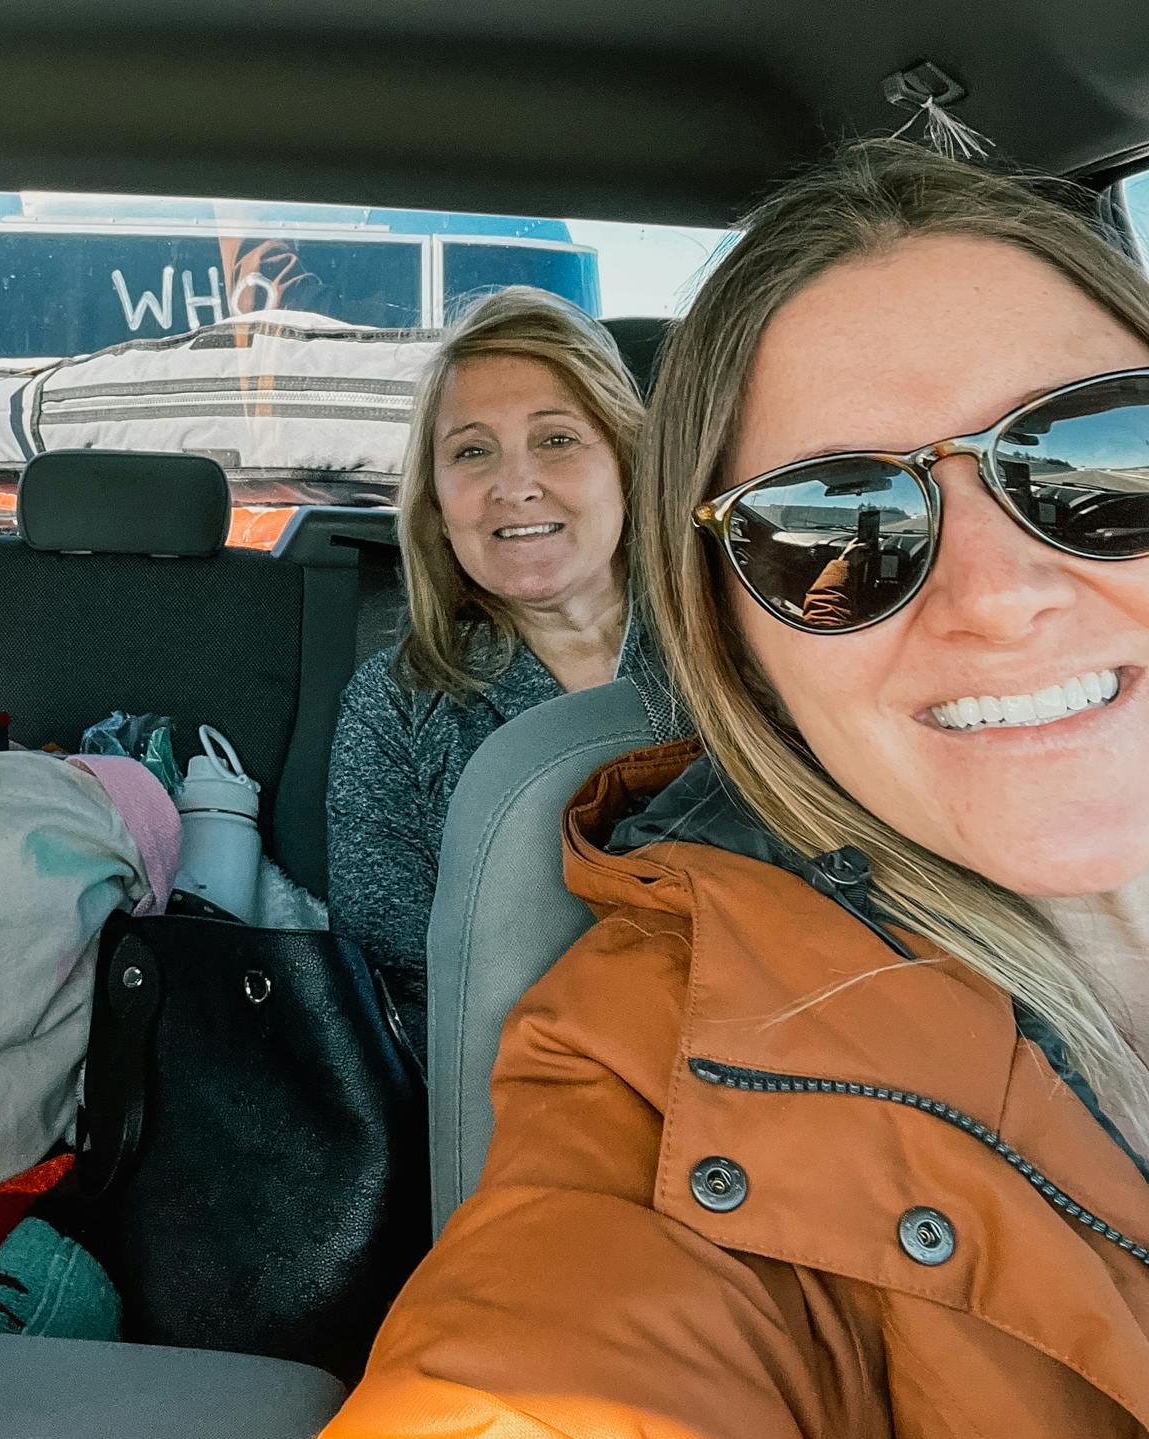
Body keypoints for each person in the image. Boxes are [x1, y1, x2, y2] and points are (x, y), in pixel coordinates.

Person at [323, 140, 1149, 1437]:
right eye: (832, 529)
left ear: (624, 463)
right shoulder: (412, 711)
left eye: (1096, 459)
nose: (1001, 598)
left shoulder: (690, 665)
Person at [326, 287, 652, 1052]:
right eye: (472, 451)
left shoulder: (740, 658)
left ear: (626, 463)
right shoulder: (396, 704)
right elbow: (402, 978)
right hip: (512, 1101)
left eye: (558, 439)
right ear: (437, 502)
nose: (516, 485)